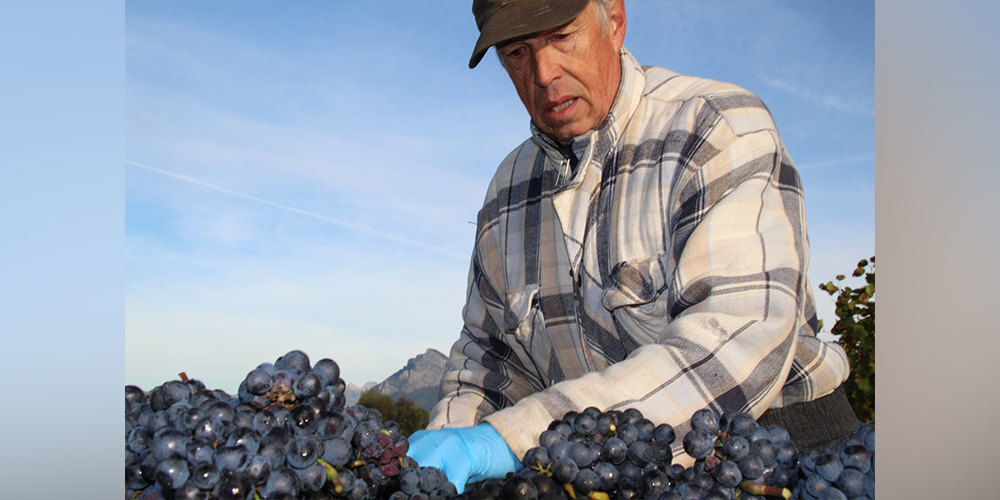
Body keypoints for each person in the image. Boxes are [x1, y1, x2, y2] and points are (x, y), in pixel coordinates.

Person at [407, 0, 859, 492]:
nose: (542, 72)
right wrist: (433, 469)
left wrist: (506, 440)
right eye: (517, 51)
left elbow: (735, 345)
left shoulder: (715, 128)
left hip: (783, 458)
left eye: (561, 37)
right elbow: (485, 362)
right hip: (604, 474)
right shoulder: (505, 193)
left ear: (614, 22)